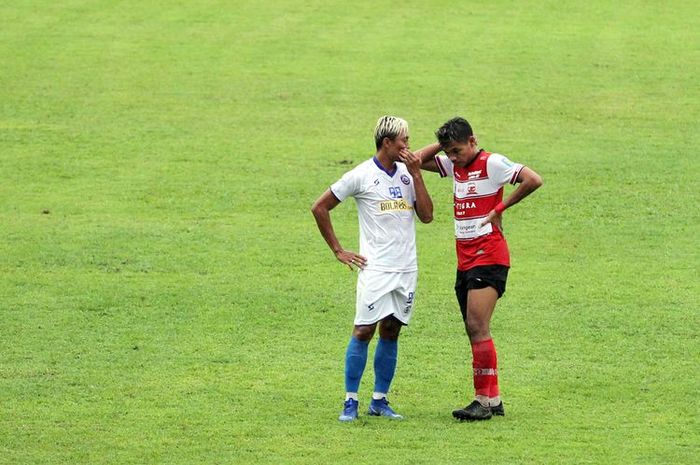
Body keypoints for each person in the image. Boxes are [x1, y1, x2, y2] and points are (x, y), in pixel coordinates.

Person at [311, 116, 440, 422]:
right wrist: (338, 250)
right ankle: (350, 401)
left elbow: (427, 217)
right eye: (403, 141)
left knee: (392, 330)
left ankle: (379, 400)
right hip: (376, 269)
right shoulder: (361, 175)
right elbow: (320, 207)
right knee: (364, 329)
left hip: (406, 268)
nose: (407, 146)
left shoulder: (409, 174)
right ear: (387, 143)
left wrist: (418, 175)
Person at [420, 117, 543, 421]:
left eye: (457, 150)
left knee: (477, 326)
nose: (452, 158)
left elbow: (533, 179)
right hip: (465, 259)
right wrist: (444, 142)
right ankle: (495, 398)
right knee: (476, 328)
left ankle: (481, 401)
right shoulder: (455, 166)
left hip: (489, 255)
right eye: (448, 152)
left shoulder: (492, 163)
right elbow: (416, 160)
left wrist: (499, 208)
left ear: (473, 141)